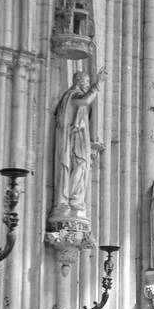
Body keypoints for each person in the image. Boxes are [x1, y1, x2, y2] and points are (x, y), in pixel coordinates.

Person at [51, 68, 105, 219]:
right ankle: (74, 200)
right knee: (80, 165)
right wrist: (98, 85)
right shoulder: (72, 95)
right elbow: (85, 100)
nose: (88, 85)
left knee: (81, 167)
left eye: (89, 82)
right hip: (74, 140)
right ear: (79, 82)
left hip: (78, 139)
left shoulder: (73, 96)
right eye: (86, 82)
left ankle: (76, 200)